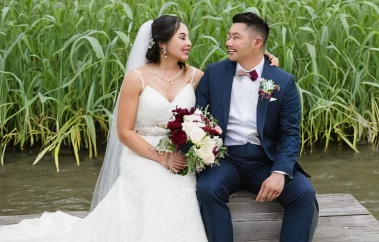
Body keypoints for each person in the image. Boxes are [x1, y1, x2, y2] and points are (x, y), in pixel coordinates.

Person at [0, 15, 278, 242]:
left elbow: (232, 75)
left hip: (180, 153)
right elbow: (125, 132)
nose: (189, 42)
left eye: (189, 37)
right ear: (162, 43)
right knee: (153, 183)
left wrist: (263, 58)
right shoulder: (137, 79)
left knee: (183, 182)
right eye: (183, 37)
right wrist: (161, 157)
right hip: (143, 153)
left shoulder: (196, 76)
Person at [196, 12, 318, 242]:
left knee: (304, 194)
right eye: (228, 37)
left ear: (257, 43)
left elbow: (291, 133)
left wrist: (280, 172)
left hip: (266, 159)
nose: (228, 43)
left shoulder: (282, 81)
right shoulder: (214, 73)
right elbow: (199, 118)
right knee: (207, 190)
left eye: (235, 37)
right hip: (225, 158)